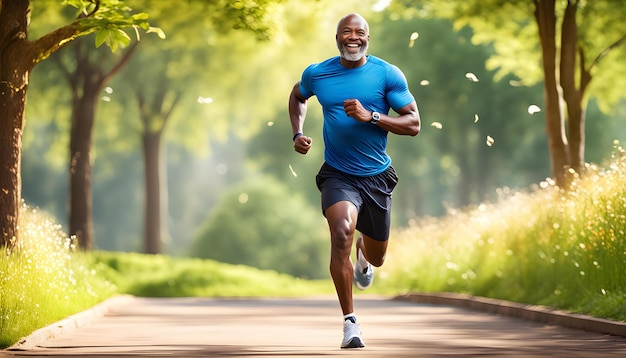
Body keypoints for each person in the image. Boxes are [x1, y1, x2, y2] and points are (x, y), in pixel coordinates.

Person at [288, 13, 420, 349]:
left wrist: (372, 116)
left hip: (376, 177)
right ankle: (350, 323)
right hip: (337, 173)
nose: (353, 37)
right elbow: (298, 96)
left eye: (359, 32)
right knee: (342, 231)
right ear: (337, 38)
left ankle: (364, 254)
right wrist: (298, 133)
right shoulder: (317, 73)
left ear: (367, 39)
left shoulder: (387, 74)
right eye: (346, 32)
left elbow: (414, 123)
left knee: (377, 257)